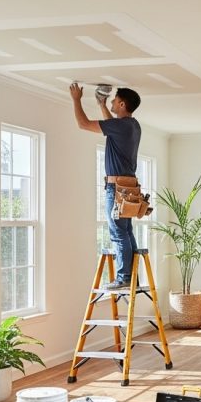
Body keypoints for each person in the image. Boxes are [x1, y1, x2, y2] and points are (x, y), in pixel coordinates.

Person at [70, 82, 142, 289]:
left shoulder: (120, 126)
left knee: (118, 233)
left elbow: (83, 124)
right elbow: (112, 126)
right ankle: (132, 277)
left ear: (122, 104)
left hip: (117, 188)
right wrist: (101, 105)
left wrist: (76, 99)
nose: (112, 102)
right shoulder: (133, 125)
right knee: (126, 232)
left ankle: (124, 277)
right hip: (128, 187)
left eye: (114, 101)